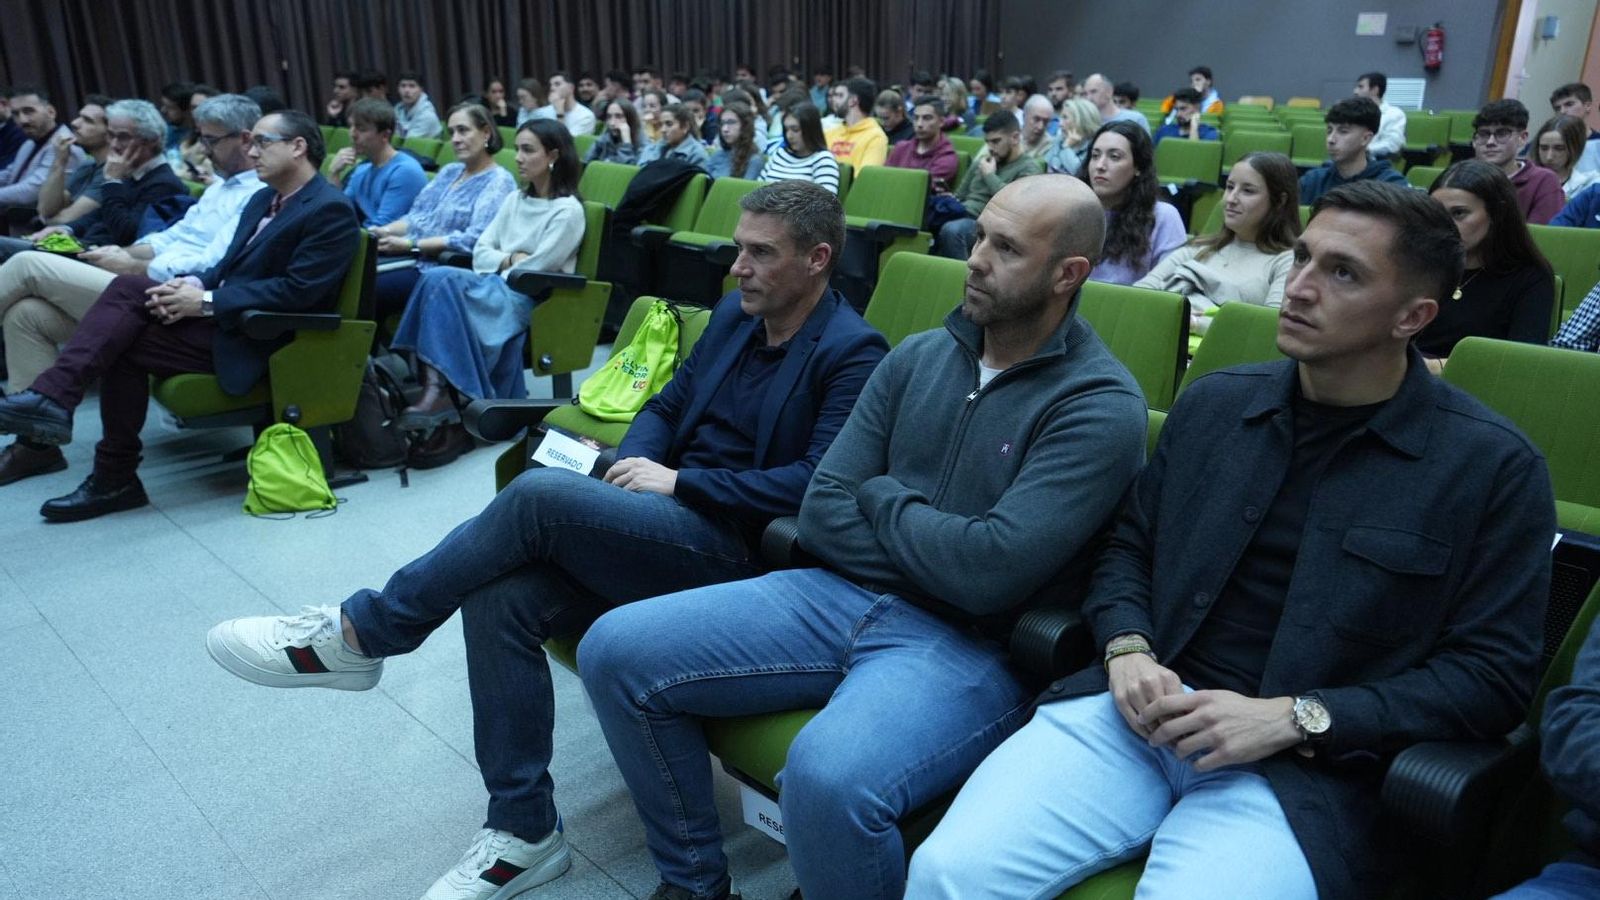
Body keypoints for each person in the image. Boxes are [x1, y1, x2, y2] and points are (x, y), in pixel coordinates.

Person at [206, 180, 888, 900]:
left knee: (536, 497)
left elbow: (817, 483)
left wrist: (680, 484)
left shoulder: (852, 351)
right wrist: (635, 465)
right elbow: (666, 402)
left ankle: (364, 632)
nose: (737, 267)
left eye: (759, 253)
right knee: (500, 596)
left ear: (817, 259)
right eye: (736, 249)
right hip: (664, 520)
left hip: (740, 551)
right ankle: (523, 832)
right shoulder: (734, 316)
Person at [909, 181, 1555, 900]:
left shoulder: (1491, 469)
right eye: (1304, 258)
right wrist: (1126, 648)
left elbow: (1491, 679)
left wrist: (1297, 716)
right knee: (947, 874)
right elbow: (1127, 547)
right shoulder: (1219, 404)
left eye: (1343, 273)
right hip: (1138, 709)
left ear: (1415, 315)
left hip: (1308, 768)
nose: (1301, 288)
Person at [580, 174, 1147, 900]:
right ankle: (694, 884)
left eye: (1005, 248)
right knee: (615, 650)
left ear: (1068, 275)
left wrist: (881, 494)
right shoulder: (917, 356)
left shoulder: (1099, 406)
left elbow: (990, 574)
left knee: (827, 774)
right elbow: (821, 509)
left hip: (969, 643)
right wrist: (922, 534)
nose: (974, 258)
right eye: (978, 235)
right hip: (833, 591)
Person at [0, 109, 358, 521]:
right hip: (224, 320)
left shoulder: (329, 209)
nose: (251, 150)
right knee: (126, 312)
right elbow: (227, 267)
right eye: (249, 141)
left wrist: (205, 302)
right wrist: (193, 285)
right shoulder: (264, 198)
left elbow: (301, 292)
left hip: (261, 336)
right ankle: (95, 453)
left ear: (298, 147)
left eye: (261, 141)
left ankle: (91, 447)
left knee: (127, 310)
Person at [0, 95, 265, 490]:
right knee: (27, 316)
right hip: (142, 277)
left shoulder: (256, 193)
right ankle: (37, 444)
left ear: (243, 140)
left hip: (170, 294)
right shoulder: (219, 189)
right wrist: (122, 254)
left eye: (210, 140)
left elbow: (215, 264)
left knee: (25, 264)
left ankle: (44, 414)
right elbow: (169, 238)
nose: (202, 150)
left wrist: (134, 264)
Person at [385, 119, 585, 465]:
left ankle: (444, 390)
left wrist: (502, 261)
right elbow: (481, 250)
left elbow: (533, 270)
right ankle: (443, 390)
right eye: (518, 148)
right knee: (437, 278)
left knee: (441, 278)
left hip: (524, 298)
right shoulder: (514, 199)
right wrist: (508, 257)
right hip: (493, 285)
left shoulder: (567, 211)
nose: (518, 157)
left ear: (552, 155)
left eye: (528, 150)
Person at [365, 103, 517, 319]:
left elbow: (475, 239)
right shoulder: (450, 171)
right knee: (352, 272)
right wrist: (383, 231)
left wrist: (412, 245)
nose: (455, 139)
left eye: (463, 130)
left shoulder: (499, 182)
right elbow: (416, 217)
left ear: (486, 133)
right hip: (411, 257)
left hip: (440, 269)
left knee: (364, 288)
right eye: (452, 132)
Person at [1135, 151, 1300, 331]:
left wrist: (1195, 324)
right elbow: (1139, 294)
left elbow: (1266, 330)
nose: (1230, 199)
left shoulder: (1287, 261)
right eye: (1230, 187)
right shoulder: (1199, 248)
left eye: (1247, 191)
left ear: (1280, 201)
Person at [1416, 160, 1554, 364]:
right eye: (1437, 213)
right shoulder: (1417, 264)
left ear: (1497, 214)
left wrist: (1435, 368)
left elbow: (1520, 361)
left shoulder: (1531, 277)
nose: (1444, 225)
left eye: (1459, 213)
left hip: (1476, 386)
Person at [13, 99, 187, 259]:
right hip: (83, 246)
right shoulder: (129, 171)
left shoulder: (164, 184)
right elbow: (97, 215)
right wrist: (66, 229)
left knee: (18, 256)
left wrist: (112, 181)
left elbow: (126, 234)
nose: (114, 144)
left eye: (123, 137)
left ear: (151, 141)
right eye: (111, 135)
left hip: (104, 259)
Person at [1081, 120, 1185, 284]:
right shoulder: (1074, 210)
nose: (1100, 165)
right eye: (1095, 156)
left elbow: (1169, 287)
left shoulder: (1163, 217)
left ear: (1138, 167)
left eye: (1114, 157)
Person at [934, 111, 1045, 259]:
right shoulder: (984, 161)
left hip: (990, 225)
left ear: (1015, 138)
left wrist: (989, 176)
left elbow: (1016, 206)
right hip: (963, 213)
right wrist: (948, 198)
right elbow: (960, 196)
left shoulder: (1029, 168)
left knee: (953, 230)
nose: (990, 148)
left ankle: (966, 279)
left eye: (996, 141)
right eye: (987, 142)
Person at [325, 97, 427, 229]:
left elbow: (383, 228)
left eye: (361, 129)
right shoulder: (362, 170)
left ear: (385, 135)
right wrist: (334, 173)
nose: (352, 134)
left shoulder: (405, 171)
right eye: (351, 126)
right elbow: (339, 214)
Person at [1297, 97, 1408, 205]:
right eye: (1329, 131)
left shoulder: (1392, 185)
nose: (1331, 139)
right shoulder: (1312, 180)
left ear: (1365, 138)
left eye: (1343, 131)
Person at [1473, 99, 1565, 225]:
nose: (1490, 142)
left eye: (1502, 133)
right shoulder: (1460, 177)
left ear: (1522, 138)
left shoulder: (1543, 181)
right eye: (1484, 134)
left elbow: (1540, 238)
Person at [0, 85, 87, 207]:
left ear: (51, 112)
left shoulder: (65, 143)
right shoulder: (29, 143)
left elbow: (33, 191)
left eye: (29, 111)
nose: (22, 120)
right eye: (16, 114)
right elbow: (9, 174)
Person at [34, 94, 111, 226]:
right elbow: (45, 210)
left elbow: (65, 220)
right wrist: (60, 162)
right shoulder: (87, 165)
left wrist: (47, 221)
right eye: (80, 117)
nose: (74, 123)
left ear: (110, 132)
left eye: (88, 120)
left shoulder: (112, 171)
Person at [760, 103, 841, 194]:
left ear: (810, 130)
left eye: (795, 130)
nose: (789, 136)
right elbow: (757, 188)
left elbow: (827, 203)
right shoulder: (779, 153)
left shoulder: (823, 159)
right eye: (786, 130)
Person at [886, 98, 958, 194]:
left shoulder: (947, 157)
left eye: (927, 118)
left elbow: (919, 190)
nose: (919, 124)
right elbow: (884, 179)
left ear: (941, 122)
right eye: (916, 118)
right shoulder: (900, 148)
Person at [824, 77, 889, 169]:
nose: (834, 100)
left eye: (840, 96)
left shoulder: (876, 137)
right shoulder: (829, 133)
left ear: (853, 100)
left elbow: (865, 178)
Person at [1535, 115, 1600, 199]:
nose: (1549, 157)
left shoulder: (1592, 183)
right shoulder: (1527, 182)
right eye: (1544, 148)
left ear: (1575, 148)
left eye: (1559, 148)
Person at [638, 106, 711, 172]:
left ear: (685, 127)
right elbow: (640, 175)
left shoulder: (697, 154)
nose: (663, 130)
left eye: (669, 124)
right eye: (661, 125)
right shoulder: (652, 148)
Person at [1353, 71, 1407, 159]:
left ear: (1375, 90)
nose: (1355, 91)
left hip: (1375, 161)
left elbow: (1392, 144)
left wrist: (1363, 150)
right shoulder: (1353, 112)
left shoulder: (1394, 114)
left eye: (1361, 87)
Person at [705, 103, 763, 179]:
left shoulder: (754, 160)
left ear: (745, 125)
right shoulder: (717, 155)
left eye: (731, 122)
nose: (724, 129)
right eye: (722, 123)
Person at [1046, 97, 1101, 176]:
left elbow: (1079, 174)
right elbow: (1048, 170)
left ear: (1081, 120)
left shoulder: (1095, 147)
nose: (1060, 124)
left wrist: (1066, 148)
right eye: (1061, 117)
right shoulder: (1059, 140)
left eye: (1065, 118)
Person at [533, 71, 597, 138]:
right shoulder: (542, 113)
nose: (552, 88)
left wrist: (560, 114)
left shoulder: (586, 116)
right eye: (551, 85)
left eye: (557, 84)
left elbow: (565, 143)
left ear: (571, 88)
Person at [1083, 74, 1150, 132]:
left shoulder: (1136, 119)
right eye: (1085, 94)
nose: (1088, 98)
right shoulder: (1082, 121)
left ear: (1109, 92)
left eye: (1094, 91)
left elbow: (1146, 146)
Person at [584, 98, 643, 165]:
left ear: (630, 119)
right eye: (609, 117)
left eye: (618, 116)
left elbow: (627, 170)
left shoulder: (643, 143)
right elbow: (586, 162)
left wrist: (626, 143)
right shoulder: (606, 138)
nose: (612, 123)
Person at [1153, 88, 1220, 145]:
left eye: (1183, 108)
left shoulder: (1209, 133)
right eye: (1176, 109)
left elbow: (1195, 157)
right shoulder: (1164, 131)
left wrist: (1194, 128)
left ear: (1197, 108)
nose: (1178, 114)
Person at [394, 72, 443, 139]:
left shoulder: (427, 115)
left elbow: (408, 143)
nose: (406, 90)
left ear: (421, 90)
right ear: (398, 89)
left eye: (412, 86)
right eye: (403, 86)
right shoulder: (398, 110)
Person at [1019, 94, 1058, 160]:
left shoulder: (1050, 146)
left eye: (1046, 121)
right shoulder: (1010, 136)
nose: (1040, 127)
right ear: (1024, 116)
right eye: (1036, 119)